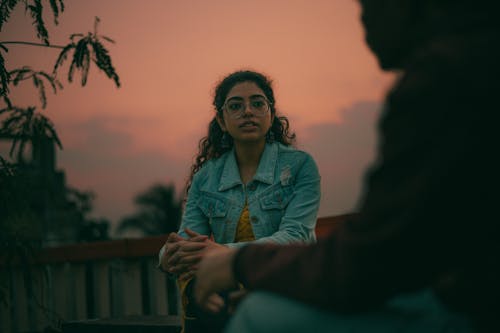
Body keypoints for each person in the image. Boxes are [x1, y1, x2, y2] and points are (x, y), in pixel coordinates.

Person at [193, 1, 500, 332]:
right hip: (458, 288)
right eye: (236, 106)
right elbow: (402, 247)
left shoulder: (445, 76)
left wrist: (237, 261)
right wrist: (178, 253)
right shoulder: (472, 57)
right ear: (221, 120)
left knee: (257, 316)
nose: (363, 17)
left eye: (369, 4)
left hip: (472, 307)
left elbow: (369, 257)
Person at [158, 70, 321, 332]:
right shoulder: (206, 179)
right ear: (222, 121)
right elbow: (187, 240)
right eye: (236, 106)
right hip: (228, 287)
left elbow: (296, 235)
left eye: (257, 103)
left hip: (285, 284)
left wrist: (225, 254)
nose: (248, 111)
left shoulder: (300, 166)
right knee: (209, 297)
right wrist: (167, 256)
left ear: (271, 113)